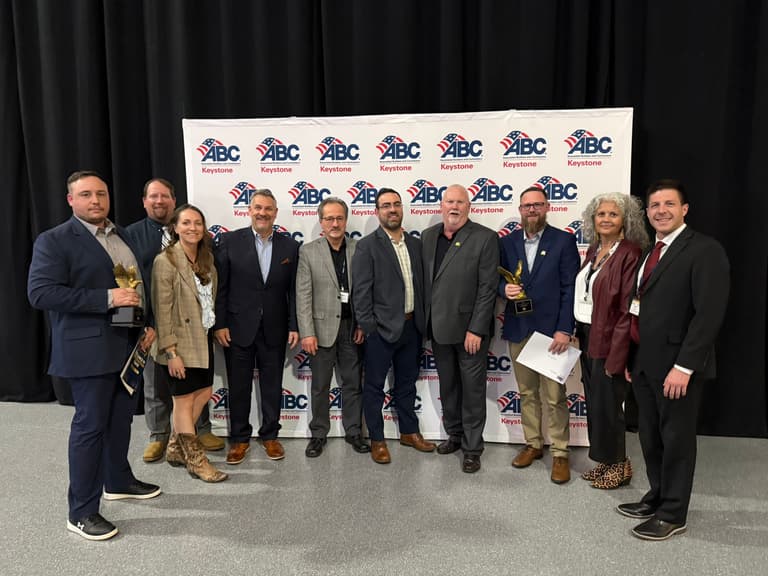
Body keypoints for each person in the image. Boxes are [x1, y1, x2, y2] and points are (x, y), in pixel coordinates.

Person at [28, 171, 161, 541]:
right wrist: (106, 298)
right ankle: (82, 512)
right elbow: (40, 293)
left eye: (101, 193)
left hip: (128, 346)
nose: (96, 200)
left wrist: (146, 325)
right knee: (90, 429)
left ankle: (117, 481)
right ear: (71, 200)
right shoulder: (54, 240)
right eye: (86, 194)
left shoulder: (121, 235)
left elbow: (134, 285)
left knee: (120, 421)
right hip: (88, 351)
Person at [618, 179, 729, 541]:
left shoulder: (704, 250)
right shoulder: (651, 251)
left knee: (676, 440)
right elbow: (640, 308)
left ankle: (673, 513)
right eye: (654, 205)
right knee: (650, 436)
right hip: (644, 363)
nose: (661, 211)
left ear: (684, 209)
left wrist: (684, 367)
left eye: (669, 204)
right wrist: (631, 359)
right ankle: (657, 496)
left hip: (677, 367)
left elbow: (708, 315)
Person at [126, 178, 224, 463]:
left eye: (165, 196)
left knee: (200, 390)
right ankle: (161, 437)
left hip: (197, 328)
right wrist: (146, 325)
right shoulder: (133, 236)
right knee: (159, 388)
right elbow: (131, 279)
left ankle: (187, 435)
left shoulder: (206, 254)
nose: (159, 201)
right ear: (144, 201)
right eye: (153, 196)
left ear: (173, 200)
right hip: (153, 324)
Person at [499, 186, 580, 484]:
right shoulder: (506, 242)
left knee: (555, 396)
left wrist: (564, 328)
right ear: (520, 210)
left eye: (537, 205)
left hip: (551, 333)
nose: (531, 210)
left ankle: (559, 452)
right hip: (519, 328)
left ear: (547, 207)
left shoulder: (563, 241)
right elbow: (494, 278)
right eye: (526, 206)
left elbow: (570, 288)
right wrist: (503, 289)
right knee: (527, 393)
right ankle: (533, 443)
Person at [214, 189, 299, 464]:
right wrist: (220, 324)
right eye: (258, 208)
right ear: (249, 210)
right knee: (239, 387)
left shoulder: (290, 246)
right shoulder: (229, 241)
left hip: (275, 328)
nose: (263, 213)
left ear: (275, 213)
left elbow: (294, 292)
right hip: (237, 328)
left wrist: (294, 325)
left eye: (268, 209)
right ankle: (239, 439)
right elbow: (221, 287)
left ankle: (270, 436)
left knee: (272, 385)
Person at [351, 188, 436, 464]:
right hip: (380, 331)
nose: (392, 209)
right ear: (377, 212)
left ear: (402, 209)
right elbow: (361, 292)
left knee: (407, 384)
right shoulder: (367, 246)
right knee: (374, 387)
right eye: (386, 205)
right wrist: (369, 327)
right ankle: (377, 439)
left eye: (396, 204)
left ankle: (409, 432)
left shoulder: (415, 244)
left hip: (412, 328)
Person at [421, 184, 499, 473]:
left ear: (469, 206)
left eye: (460, 202)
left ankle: (472, 448)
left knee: (473, 393)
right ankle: (454, 435)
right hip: (438, 329)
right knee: (449, 387)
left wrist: (476, 329)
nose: (454, 207)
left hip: (470, 333)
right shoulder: (428, 237)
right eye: (449, 201)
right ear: (441, 206)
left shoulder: (485, 238)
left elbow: (488, 288)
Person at [574, 193, 649, 489]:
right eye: (601, 214)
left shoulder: (630, 253)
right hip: (588, 335)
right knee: (595, 404)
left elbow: (626, 310)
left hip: (610, 340)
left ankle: (620, 465)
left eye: (613, 214)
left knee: (609, 407)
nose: (605, 219)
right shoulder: (595, 249)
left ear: (624, 220)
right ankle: (604, 461)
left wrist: (617, 357)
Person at [152, 204, 228, 482]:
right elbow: (162, 309)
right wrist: (171, 352)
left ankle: (175, 446)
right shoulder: (166, 261)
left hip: (202, 337)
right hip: (178, 343)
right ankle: (196, 460)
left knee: (204, 394)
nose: (192, 228)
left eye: (197, 223)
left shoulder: (206, 258)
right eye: (186, 223)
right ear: (175, 227)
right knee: (183, 402)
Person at [296, 197, 369, 457]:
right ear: (321, 222)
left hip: (352, 329)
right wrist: (307, 332)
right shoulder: (308, 252)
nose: (335, 223)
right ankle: (318, 434)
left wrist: (362, 324)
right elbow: (303, 295)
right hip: (320, 330)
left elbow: (364, 290)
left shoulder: (359, 249)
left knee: (353, 384)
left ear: (346, 221)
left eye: (339, 218)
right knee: (320, 386)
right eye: (329, 219)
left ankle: (354, 432)